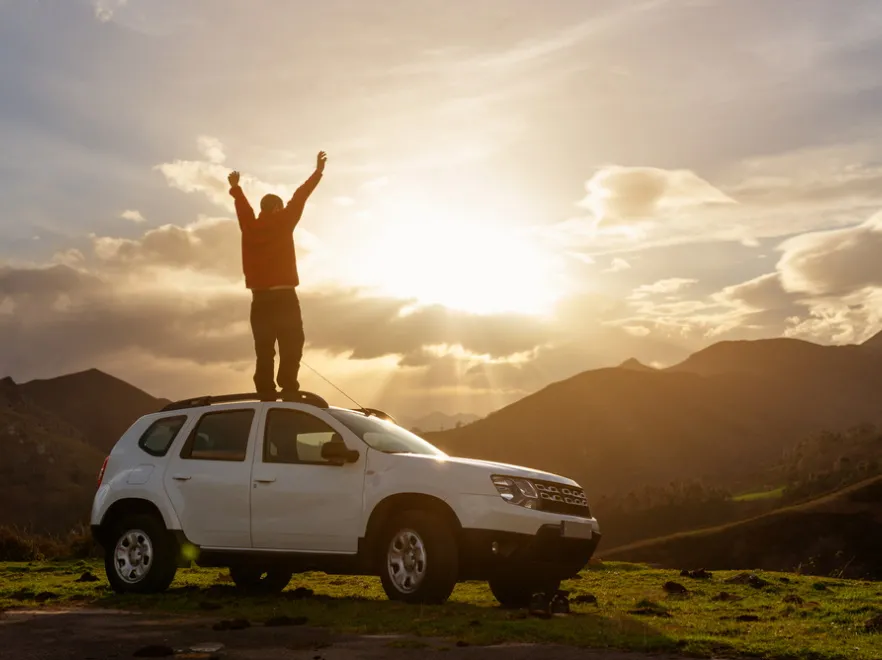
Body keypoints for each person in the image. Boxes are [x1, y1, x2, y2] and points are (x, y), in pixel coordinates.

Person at [227, 151, 327, 401]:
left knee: (264, 348)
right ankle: (288, 384)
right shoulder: (283, 221)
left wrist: (236, 189)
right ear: (276, 208)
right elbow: (300, 196)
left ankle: (265, 389)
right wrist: (317, 172)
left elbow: (243, 210)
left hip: (259, 300)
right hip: (284, 297)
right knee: (292, 342)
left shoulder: (249, 226)